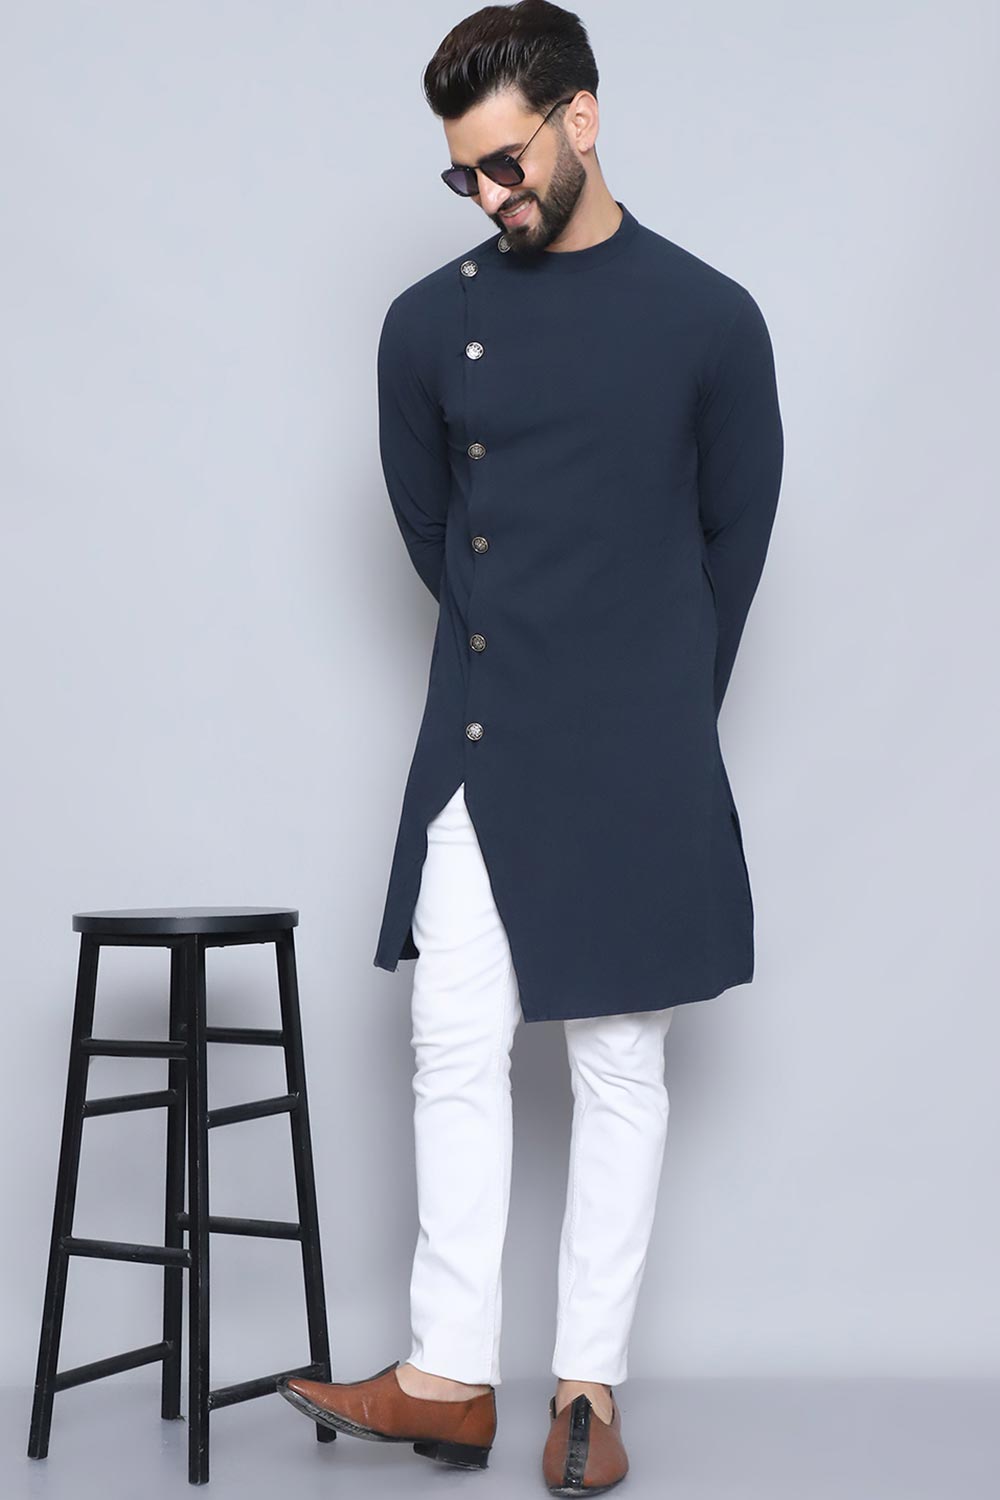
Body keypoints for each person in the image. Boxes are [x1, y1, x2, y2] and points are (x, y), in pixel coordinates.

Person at [279, 2, 784, 1492]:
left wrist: (653, 705)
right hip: (484, 724)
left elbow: (733, 549)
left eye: (506, 163)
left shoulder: (711, 320)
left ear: (583, 118)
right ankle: (445, 1376)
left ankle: (586, 1392)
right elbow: (437, 537)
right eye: (465, 175)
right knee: (452, 1044)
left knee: (618, 1065)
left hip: (637, 742)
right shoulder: (423, 327)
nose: (490, 196)